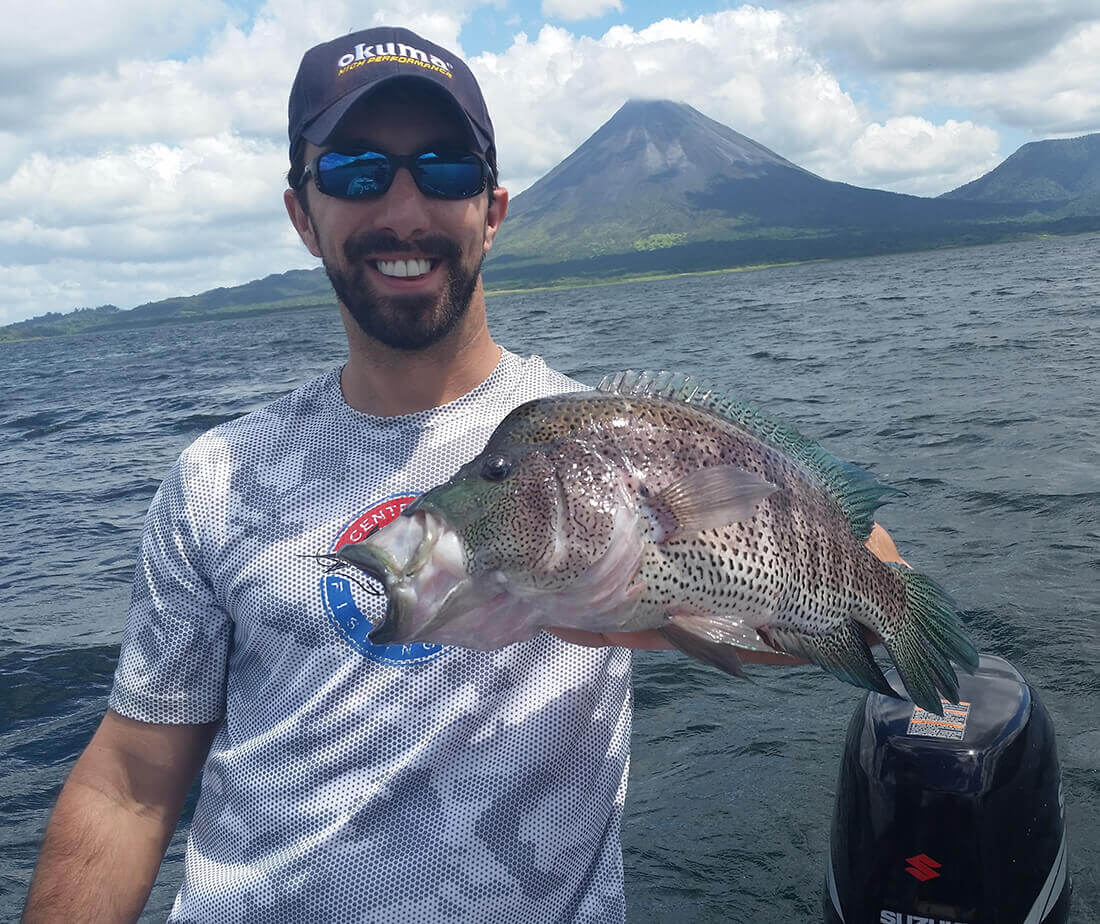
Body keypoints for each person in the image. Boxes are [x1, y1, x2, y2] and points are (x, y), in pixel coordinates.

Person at [22, 25, 907, 923]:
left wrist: (750, 608)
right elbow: (129, 787)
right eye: (358, 171)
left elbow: (860, 568)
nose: (404, 210)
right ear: (302, 212)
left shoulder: (608, 440)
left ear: (492, 208)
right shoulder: (217, 480)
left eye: (443, 169)